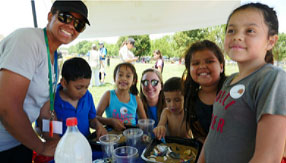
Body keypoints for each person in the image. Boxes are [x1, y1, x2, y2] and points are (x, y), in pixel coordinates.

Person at [0, 0, 90, 161]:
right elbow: (7, 107)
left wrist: (54, 139)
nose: (71, 26)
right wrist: (41, 146)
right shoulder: (28, 40)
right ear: (50, 16)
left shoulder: (53, 55)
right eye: (65, 17)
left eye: (79, 24)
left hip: (20, 141)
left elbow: (44, 108)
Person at [198, 3, 286, 163]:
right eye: (231, 30)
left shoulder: (272, 78)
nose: (237, 36)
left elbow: (269, 157)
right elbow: (214, 131)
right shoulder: (229, 81)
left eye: (250, 31)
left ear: (271, 41)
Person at [183, 40, 226, 144]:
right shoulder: (192, 100)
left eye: (209, 61)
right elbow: (200, 137)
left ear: (221, 66)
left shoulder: (232, 92)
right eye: (196, 63)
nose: (202, 66)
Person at [54, 57, 107, 140]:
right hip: (63, 149)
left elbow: (91, 119)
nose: (83, 92)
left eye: (86, 87)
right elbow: (40, 129)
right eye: (79, 87)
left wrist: (97, 125)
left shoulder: (87, 96)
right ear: (64, 83)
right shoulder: (52, 101)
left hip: (86, 144)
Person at [96, 62, 147, 131]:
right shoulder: (108, 95)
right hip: (112, 137)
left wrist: (135, 126)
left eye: (128, 76)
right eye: (120, 75)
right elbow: (95, 117)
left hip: (131, 137)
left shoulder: (136, 99)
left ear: (134, 81)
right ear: (114, 78)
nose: (124, 78)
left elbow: (144, 122)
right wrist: (111, 121)